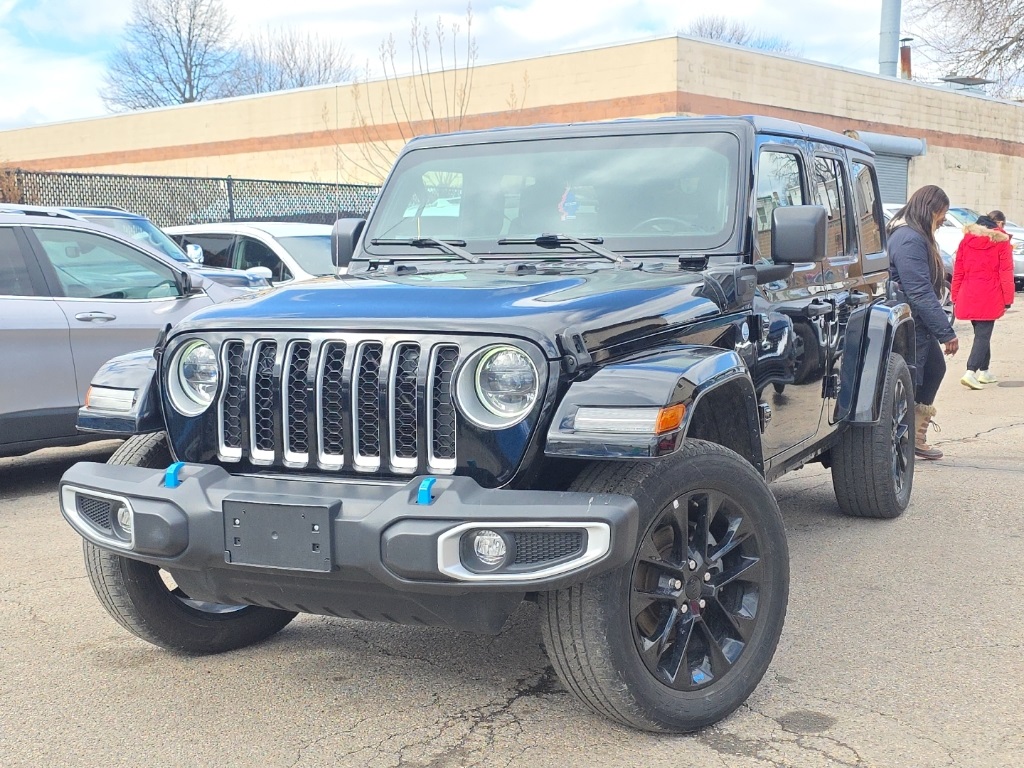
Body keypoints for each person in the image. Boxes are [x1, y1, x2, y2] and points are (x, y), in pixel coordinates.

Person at [887, 185, 959, 460]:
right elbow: (918, 291)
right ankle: (905, 436)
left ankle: (913, 435)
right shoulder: (909, 239)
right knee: (914, 379)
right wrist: (946, 332)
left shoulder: (912, 235)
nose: (942, 221)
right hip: (911, 325)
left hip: (917, 324)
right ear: (930, 210)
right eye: (942, 215)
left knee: (932, 370)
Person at [951, 214, 1015, 389]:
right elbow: (1006, 272)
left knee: (981, 332)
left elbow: (959, 271)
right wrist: (1008, 298)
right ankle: (970, 371)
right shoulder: (1001, 242)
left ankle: (985, 371)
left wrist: (955, 295)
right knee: (983, 334)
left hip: (969, 292)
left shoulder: (966, 241)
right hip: (990, 293)